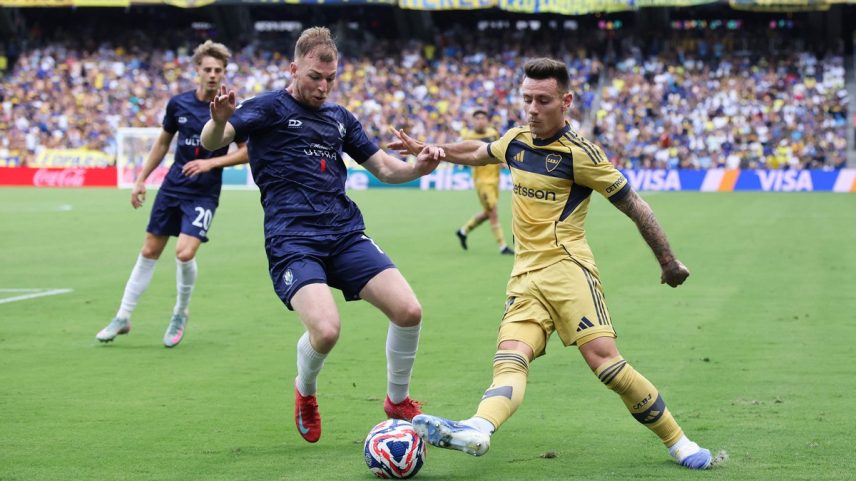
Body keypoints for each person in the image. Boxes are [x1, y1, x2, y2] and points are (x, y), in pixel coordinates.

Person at [391, 58, 715, 470]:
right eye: (526, 99)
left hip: (568, 271)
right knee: (510, 358)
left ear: (566, 101)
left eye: (542, 100)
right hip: (524, 277)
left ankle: (679, 442)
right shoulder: (515, 140)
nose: (531, 108)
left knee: (605, 363)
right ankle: (478, 427)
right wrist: (431, 149)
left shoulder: (582, 155)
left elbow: (634, 204)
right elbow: (478, 150)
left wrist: (668, 261)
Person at [200, 27, 444, 444]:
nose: (324, 86)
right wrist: (219, 118)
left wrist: (419, 168)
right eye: (315, 76)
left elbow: (386, 169)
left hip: (344, 233)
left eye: (331, 78)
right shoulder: (267, 108)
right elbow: (214, 142)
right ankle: (306, 390)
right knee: (327, 331)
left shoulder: (340, 118)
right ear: (295, 69)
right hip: (292, 239)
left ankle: (397, 401)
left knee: (409, 311)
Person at [96, 40, 248, 348]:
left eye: (218, 70)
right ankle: (123, 316)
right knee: (150, 250)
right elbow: (163, 144)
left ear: (224, 73)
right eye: (207, 69)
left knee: (184, 252)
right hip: (172, 188)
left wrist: (211, 163)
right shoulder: (178, 103)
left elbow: (248, 152)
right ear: (196, 71)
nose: (212, 74)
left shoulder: (232, 108)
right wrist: (141, 179)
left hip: (204, 194)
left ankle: (180, 312)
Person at [454, 109, 513, 255]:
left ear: (487, 120)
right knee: (493, 212)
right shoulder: (469, 137)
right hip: (482, 181)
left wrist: (504, 163)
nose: (480, 121)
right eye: (477, 118)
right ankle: (502, 246)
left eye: (483, 118)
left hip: (495, 179)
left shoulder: (493, 133)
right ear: (473, 121)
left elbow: (498, 151)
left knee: (488, 212)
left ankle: (463, 231)